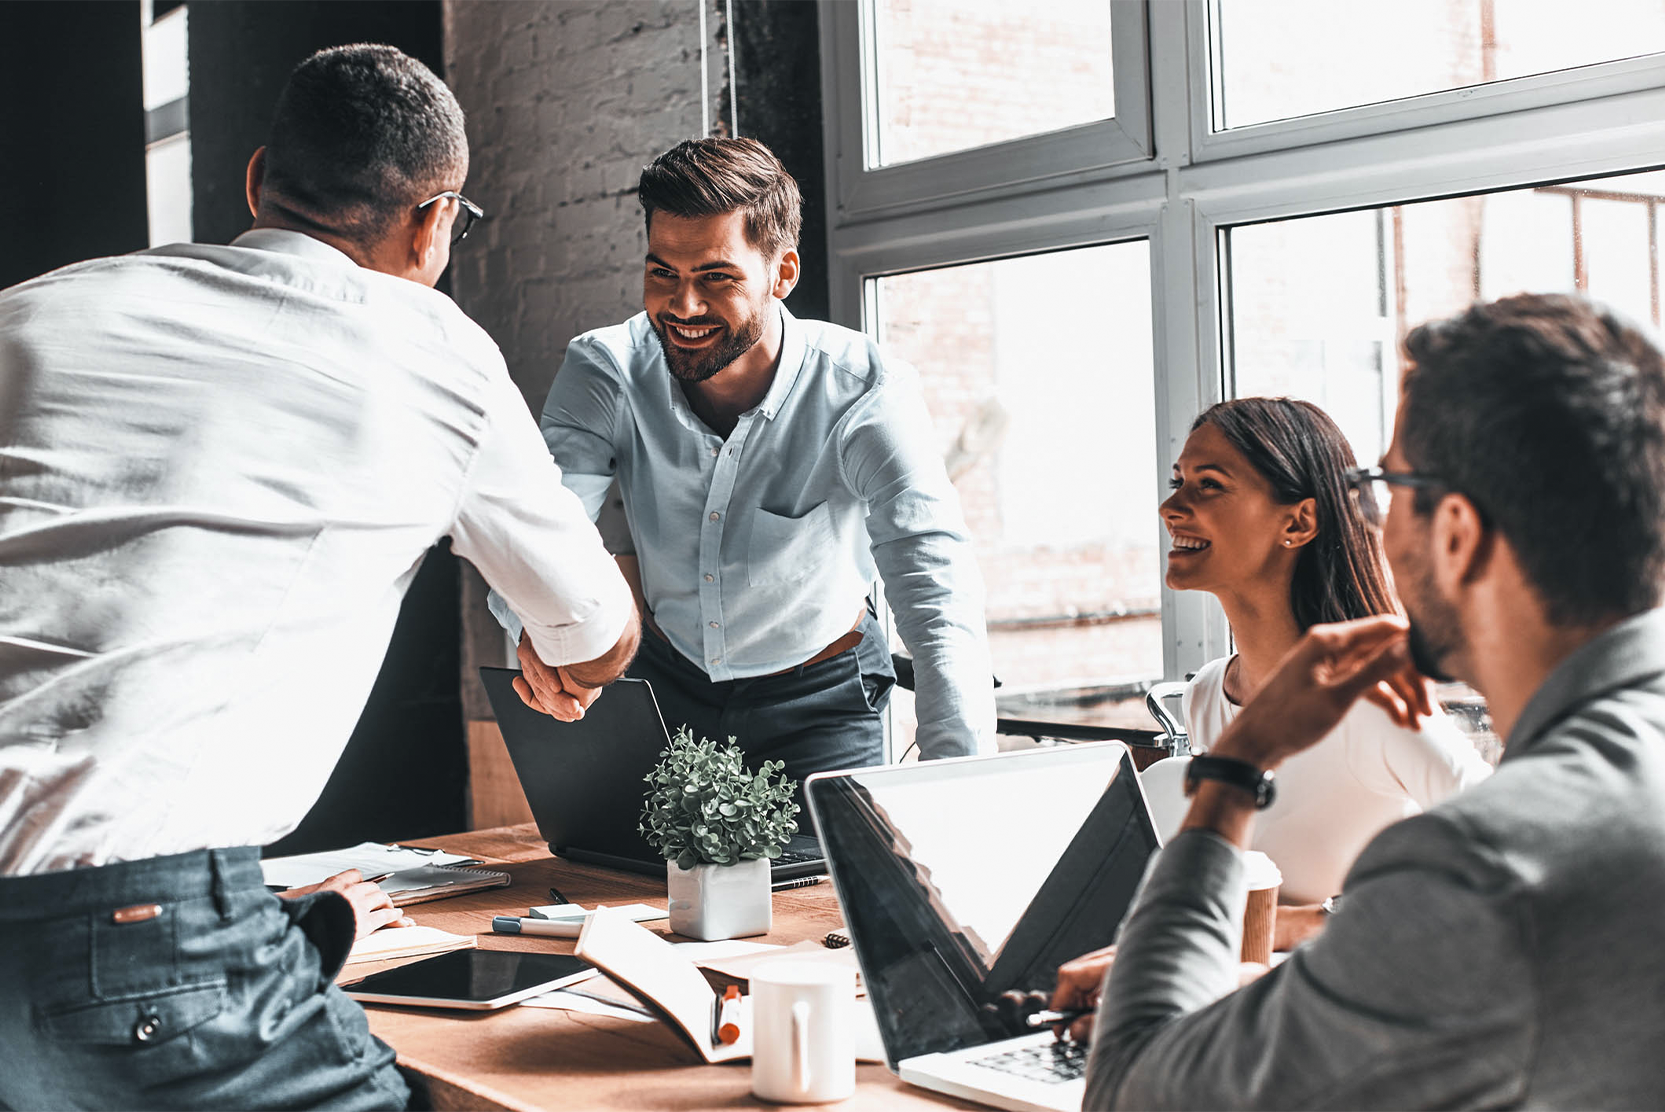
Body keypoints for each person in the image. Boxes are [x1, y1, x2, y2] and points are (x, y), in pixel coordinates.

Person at [0, 45, 637, 1111]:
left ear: (257, 183)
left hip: (145, 922)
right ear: (436, 224)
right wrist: (551, 646)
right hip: (134, 939)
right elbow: (597, 636)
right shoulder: (431, 347)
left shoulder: (30, 314)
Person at [1053, 293, 1665, 1109]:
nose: (1368, 516)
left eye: (1385, 483)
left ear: (1454, 531)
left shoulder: (1484, 865)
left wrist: (1232, 772)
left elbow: (1132, 1091)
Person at [490, 137, 995, 790]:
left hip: (821, 700)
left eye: (715, 277)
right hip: (664, 683)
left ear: (781, 274)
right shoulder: (607, 368)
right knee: (631, 885)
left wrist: (959, 779)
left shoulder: (864, 390)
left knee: (832, 890)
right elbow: (537, 530)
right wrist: (540, 634)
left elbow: (935, 586)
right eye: (662, 273)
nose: (683, 307)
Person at [1157, 397, 1490, 939]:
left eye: (1209, 485)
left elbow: (1512, 855)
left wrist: (1297, 924)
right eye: (1178, 482)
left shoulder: (1372, 703)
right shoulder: (1208, 694)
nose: (1172, 507)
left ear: (1299, 522)